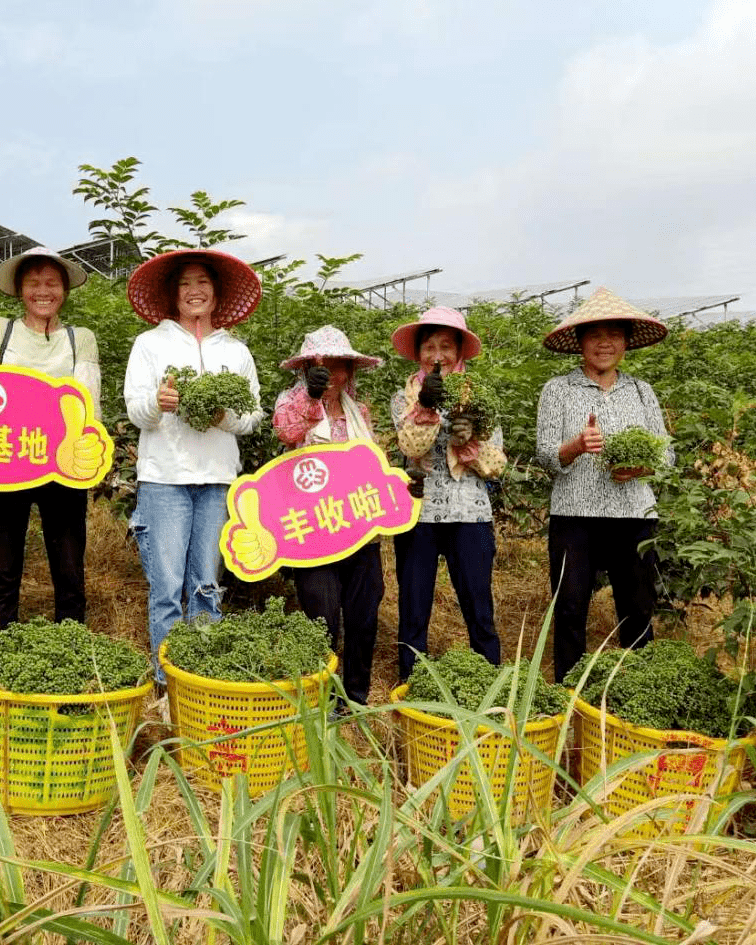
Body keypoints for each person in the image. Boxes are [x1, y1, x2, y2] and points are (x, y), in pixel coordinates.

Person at [123, 249, 264, 684]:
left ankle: (200, 679)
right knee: (166, 587)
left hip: (217, 481)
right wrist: (158, 404)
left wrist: (226, 416)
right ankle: (167, 683)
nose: (195, 291)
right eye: (185, 284)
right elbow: (135, 410)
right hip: (164, 479)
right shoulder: (150, 344)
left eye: (203, 282)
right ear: (174, 294)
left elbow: (253, 415)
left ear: (216, 293)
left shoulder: (235, 351)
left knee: (206, 583)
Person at [536, 287, 673, 682]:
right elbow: (545, 454)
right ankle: (569, 692)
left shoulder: (641, 392)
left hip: (632, 515)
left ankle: (634, 691)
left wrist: (640, 468)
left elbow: (666, 456)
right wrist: (575, 447)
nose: (604, 343)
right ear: (580, 342)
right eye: (595, 334)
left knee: (637, 609)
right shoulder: (557, 390)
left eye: (614, 334)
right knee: (570, 608)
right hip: (574, 516)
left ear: (627, 342)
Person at [0, 247, 100, 637]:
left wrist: (90, 458)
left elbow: (88, 403)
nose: (43, 291)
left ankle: (71, 644)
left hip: (63, 466)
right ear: (20, 289)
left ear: (64, 290)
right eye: (34, 283)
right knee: (3, 565)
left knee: (69, 566)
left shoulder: (81, 339)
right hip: (5, 462)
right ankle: (3, 646)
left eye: (52, 283)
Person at [390, 307, 506, 681]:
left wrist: (470, 440)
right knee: (414, 605)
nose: (436, 355)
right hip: (418, 513)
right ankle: (412, 683)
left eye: (445, 346)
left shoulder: (480, 398)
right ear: (418, 352)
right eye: (429, 347)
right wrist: (426, 405)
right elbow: (411, 447)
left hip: (469, 512)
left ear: (459, 352)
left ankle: (489, 682)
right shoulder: (404, 398)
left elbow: (496, 463)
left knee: (478, 605)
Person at [273, 326, 384, 708]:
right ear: (307, 369)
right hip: (313, 533)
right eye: (323, 367)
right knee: (321, 616)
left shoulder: (359, 413)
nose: (333, 375)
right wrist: (312, 395)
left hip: (359, 530)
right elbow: (287, 433)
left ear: (350, 371)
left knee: (363, 615)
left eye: (340, 367)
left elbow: (371, 466)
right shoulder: (292, 403)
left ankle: (354, 698)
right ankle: (320, 699)